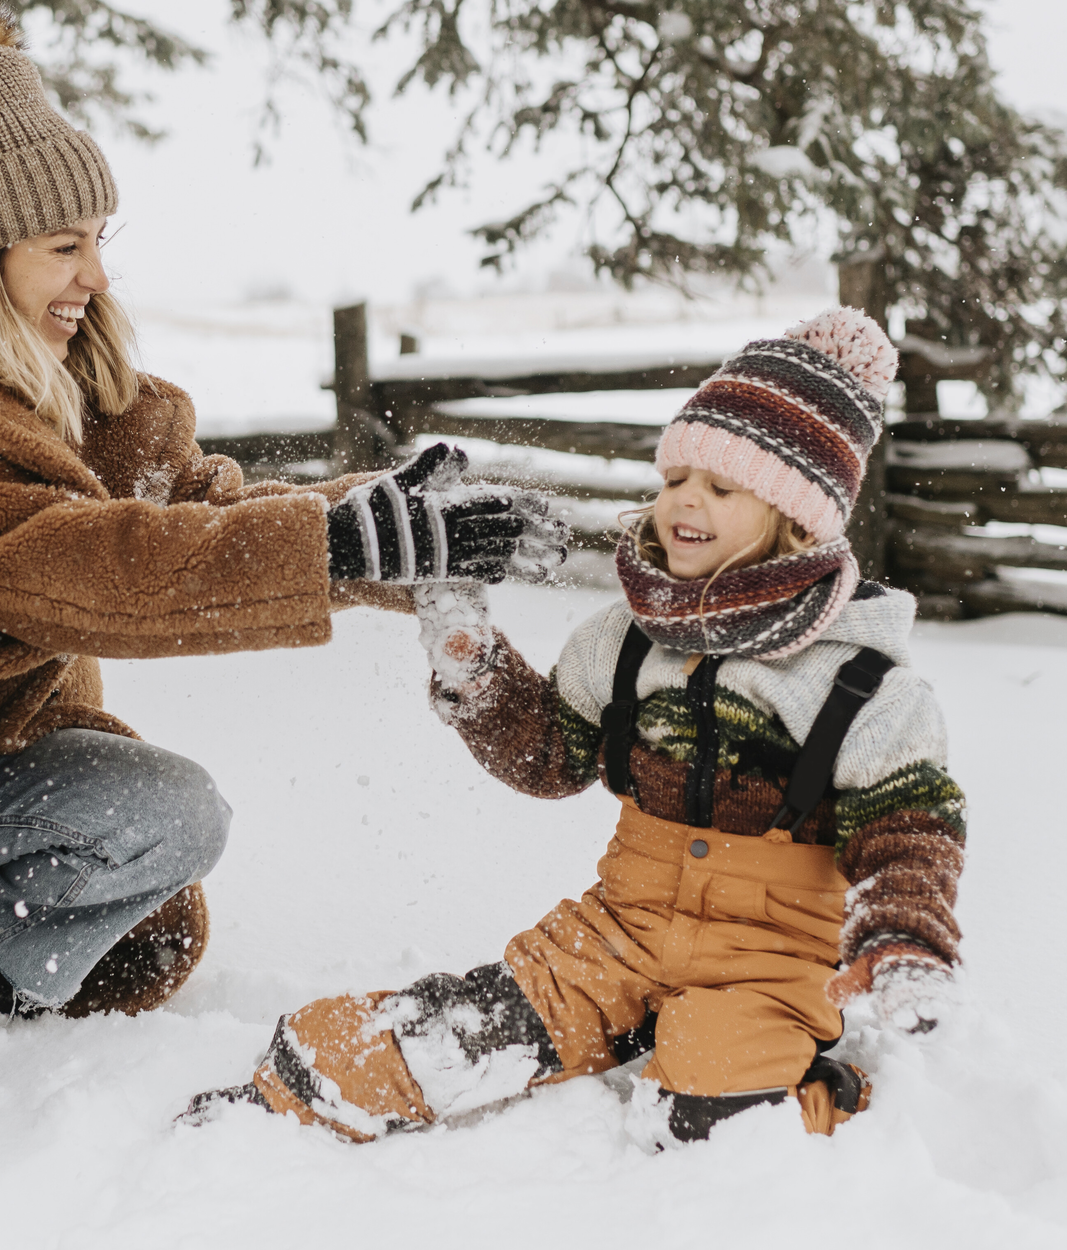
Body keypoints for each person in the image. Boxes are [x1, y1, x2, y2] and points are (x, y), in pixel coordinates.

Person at [0, 0, 567, 1222]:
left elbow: (197, 508)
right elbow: (81, 566)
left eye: (97, 241)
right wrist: (335, 543)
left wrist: (384, 523)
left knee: (175, 810)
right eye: (65, 246)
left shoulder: (82, 379)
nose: (93, 274)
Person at [185, 308, 968, 1148]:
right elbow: (550, 757)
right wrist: (475, 666)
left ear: (799, 518)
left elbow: (909, 834)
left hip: (773, 964)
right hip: (618, 934)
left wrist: (904, 937)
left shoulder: (864, 686)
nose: (683, 501)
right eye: (675, 479)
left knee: (707, 1114)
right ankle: (296, 1096)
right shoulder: (623, 642)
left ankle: (826, 1092)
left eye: (721, 486)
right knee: (434, 1043)